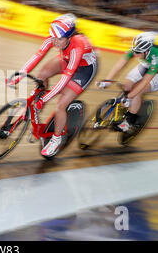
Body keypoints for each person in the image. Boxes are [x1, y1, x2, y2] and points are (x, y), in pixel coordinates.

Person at [8, 13, 98, 157]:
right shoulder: (55, 38)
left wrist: (45, 98)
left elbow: (64, 80)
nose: (55, 42)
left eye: (59, 39)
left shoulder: (77, 46)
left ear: (69, 37)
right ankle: (36, 113)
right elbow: (37, 55)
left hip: (84, 70)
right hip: (67, 60)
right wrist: (20, 74)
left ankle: (56, 139)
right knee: (41, 75)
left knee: (61, 104)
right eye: (53, 37)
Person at [96, 31, 158, 132]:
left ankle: (129, 122)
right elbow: (119, 65)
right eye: (134, 50)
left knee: (137, 91)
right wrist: (108, 80)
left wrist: (130, 96)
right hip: (146, 65)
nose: (134, 53)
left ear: (147, 51)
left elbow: (145, 81)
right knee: (127, 85)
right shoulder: (138, 48)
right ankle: (128, 105)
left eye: (137, 52)